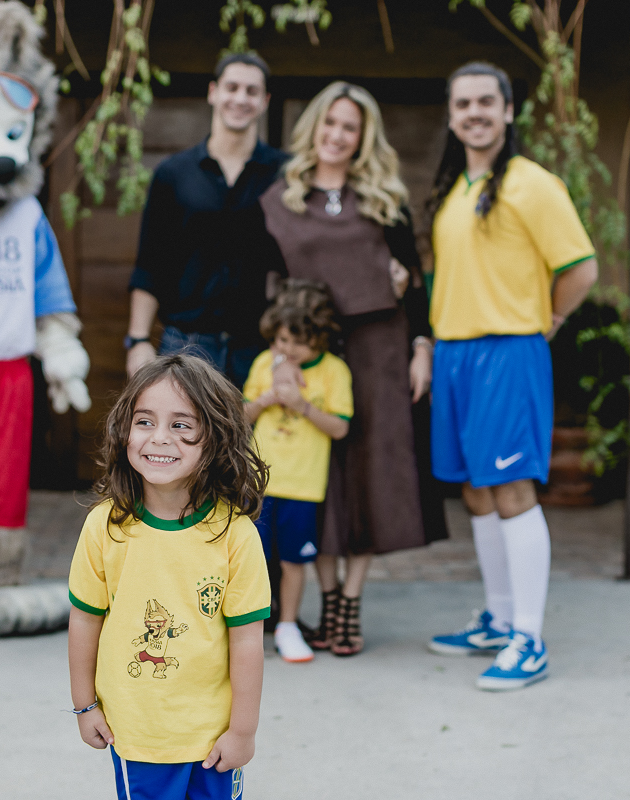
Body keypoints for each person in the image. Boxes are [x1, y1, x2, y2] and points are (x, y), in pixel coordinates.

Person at [258, 82, 448, 657]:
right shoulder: (282, 199)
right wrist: (278, 358)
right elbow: (268, 286)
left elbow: (415, 280)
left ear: (363, 138)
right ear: (314, 127)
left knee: (368, 475)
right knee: (320, 478)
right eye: (331, 123)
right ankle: (325, 595)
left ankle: (348, 605)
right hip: (311, 351)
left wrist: (421, 346)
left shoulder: (385, 200)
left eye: (350, 127)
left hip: (378, 349)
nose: (337, 135)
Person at [426, 62, 598, 691]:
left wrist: (548, 321)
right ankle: (499, 620)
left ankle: (529, 637)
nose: (473, 112)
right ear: (452, 116)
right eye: (462, 103)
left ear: (507, 111)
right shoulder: (456, 189)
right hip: (454, 355)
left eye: (485, 102)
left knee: (511, 489)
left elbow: (581, 268)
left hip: (507, 352)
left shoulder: (534, 184)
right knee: (477, 491)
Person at [67, 355, 270, 800]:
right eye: (145, 421)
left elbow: (247, 640)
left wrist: (243, 730)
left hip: (214, 736)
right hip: (138, 734)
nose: (159, 437)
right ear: (124, 431)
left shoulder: (236, 534)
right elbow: (84, 619)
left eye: (181, 425)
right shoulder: (104, 526)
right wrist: (84, 705)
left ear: (215, 439)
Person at [125, 52, 287, 388]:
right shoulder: (174, 173)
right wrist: (138, 340)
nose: (240, 98)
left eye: (252, 91)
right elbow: (150, 262)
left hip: (260, 347)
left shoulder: (283, 174)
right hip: (186, 343)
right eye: (232, 87)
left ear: (265, 101)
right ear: (213, 92)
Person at [243, 281, 353, 663]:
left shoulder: (334, 371)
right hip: (260, 483)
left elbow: (340, 428)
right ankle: (246, 630)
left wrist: (302, 406)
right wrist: (267, 398)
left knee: (294, 561)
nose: (287, 349)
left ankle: (288, 626)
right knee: (251, 559)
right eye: (282, 340)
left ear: (319, 339)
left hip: (304, 486)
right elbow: (241, 415)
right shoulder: (264, 363)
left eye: (298, 343)